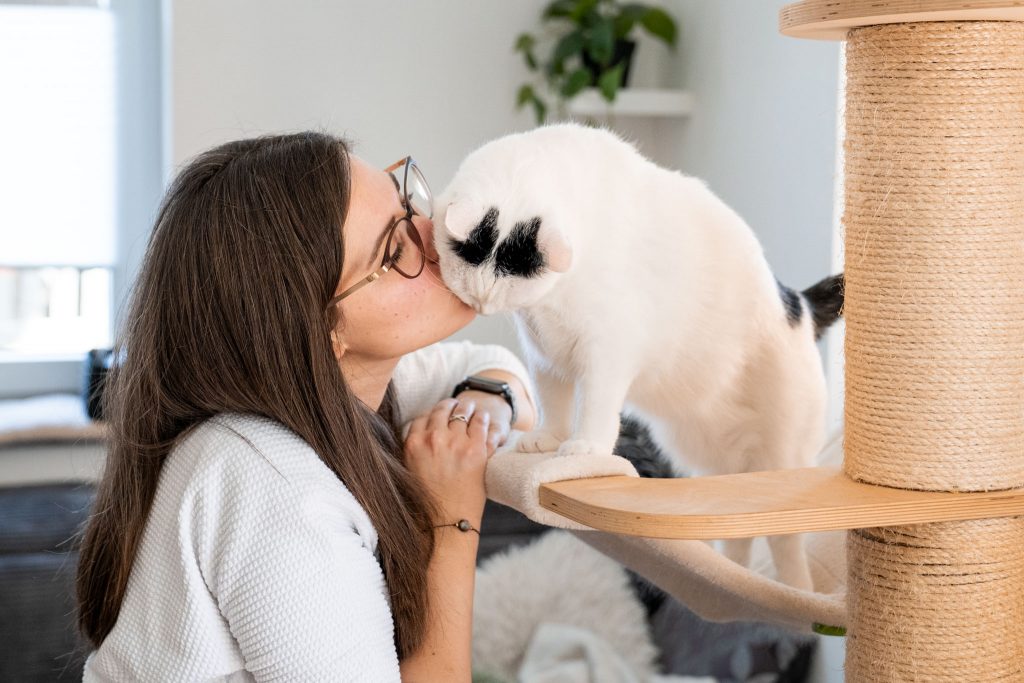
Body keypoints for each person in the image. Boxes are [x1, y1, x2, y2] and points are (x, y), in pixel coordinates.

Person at [75, 131, 537, 681]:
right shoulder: (269, 482)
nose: (437, 236)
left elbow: (489, 363)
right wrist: (451, 518)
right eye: (395, 250)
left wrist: (485, 402)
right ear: (321, 330)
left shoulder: (348, 391)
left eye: (407, 200)